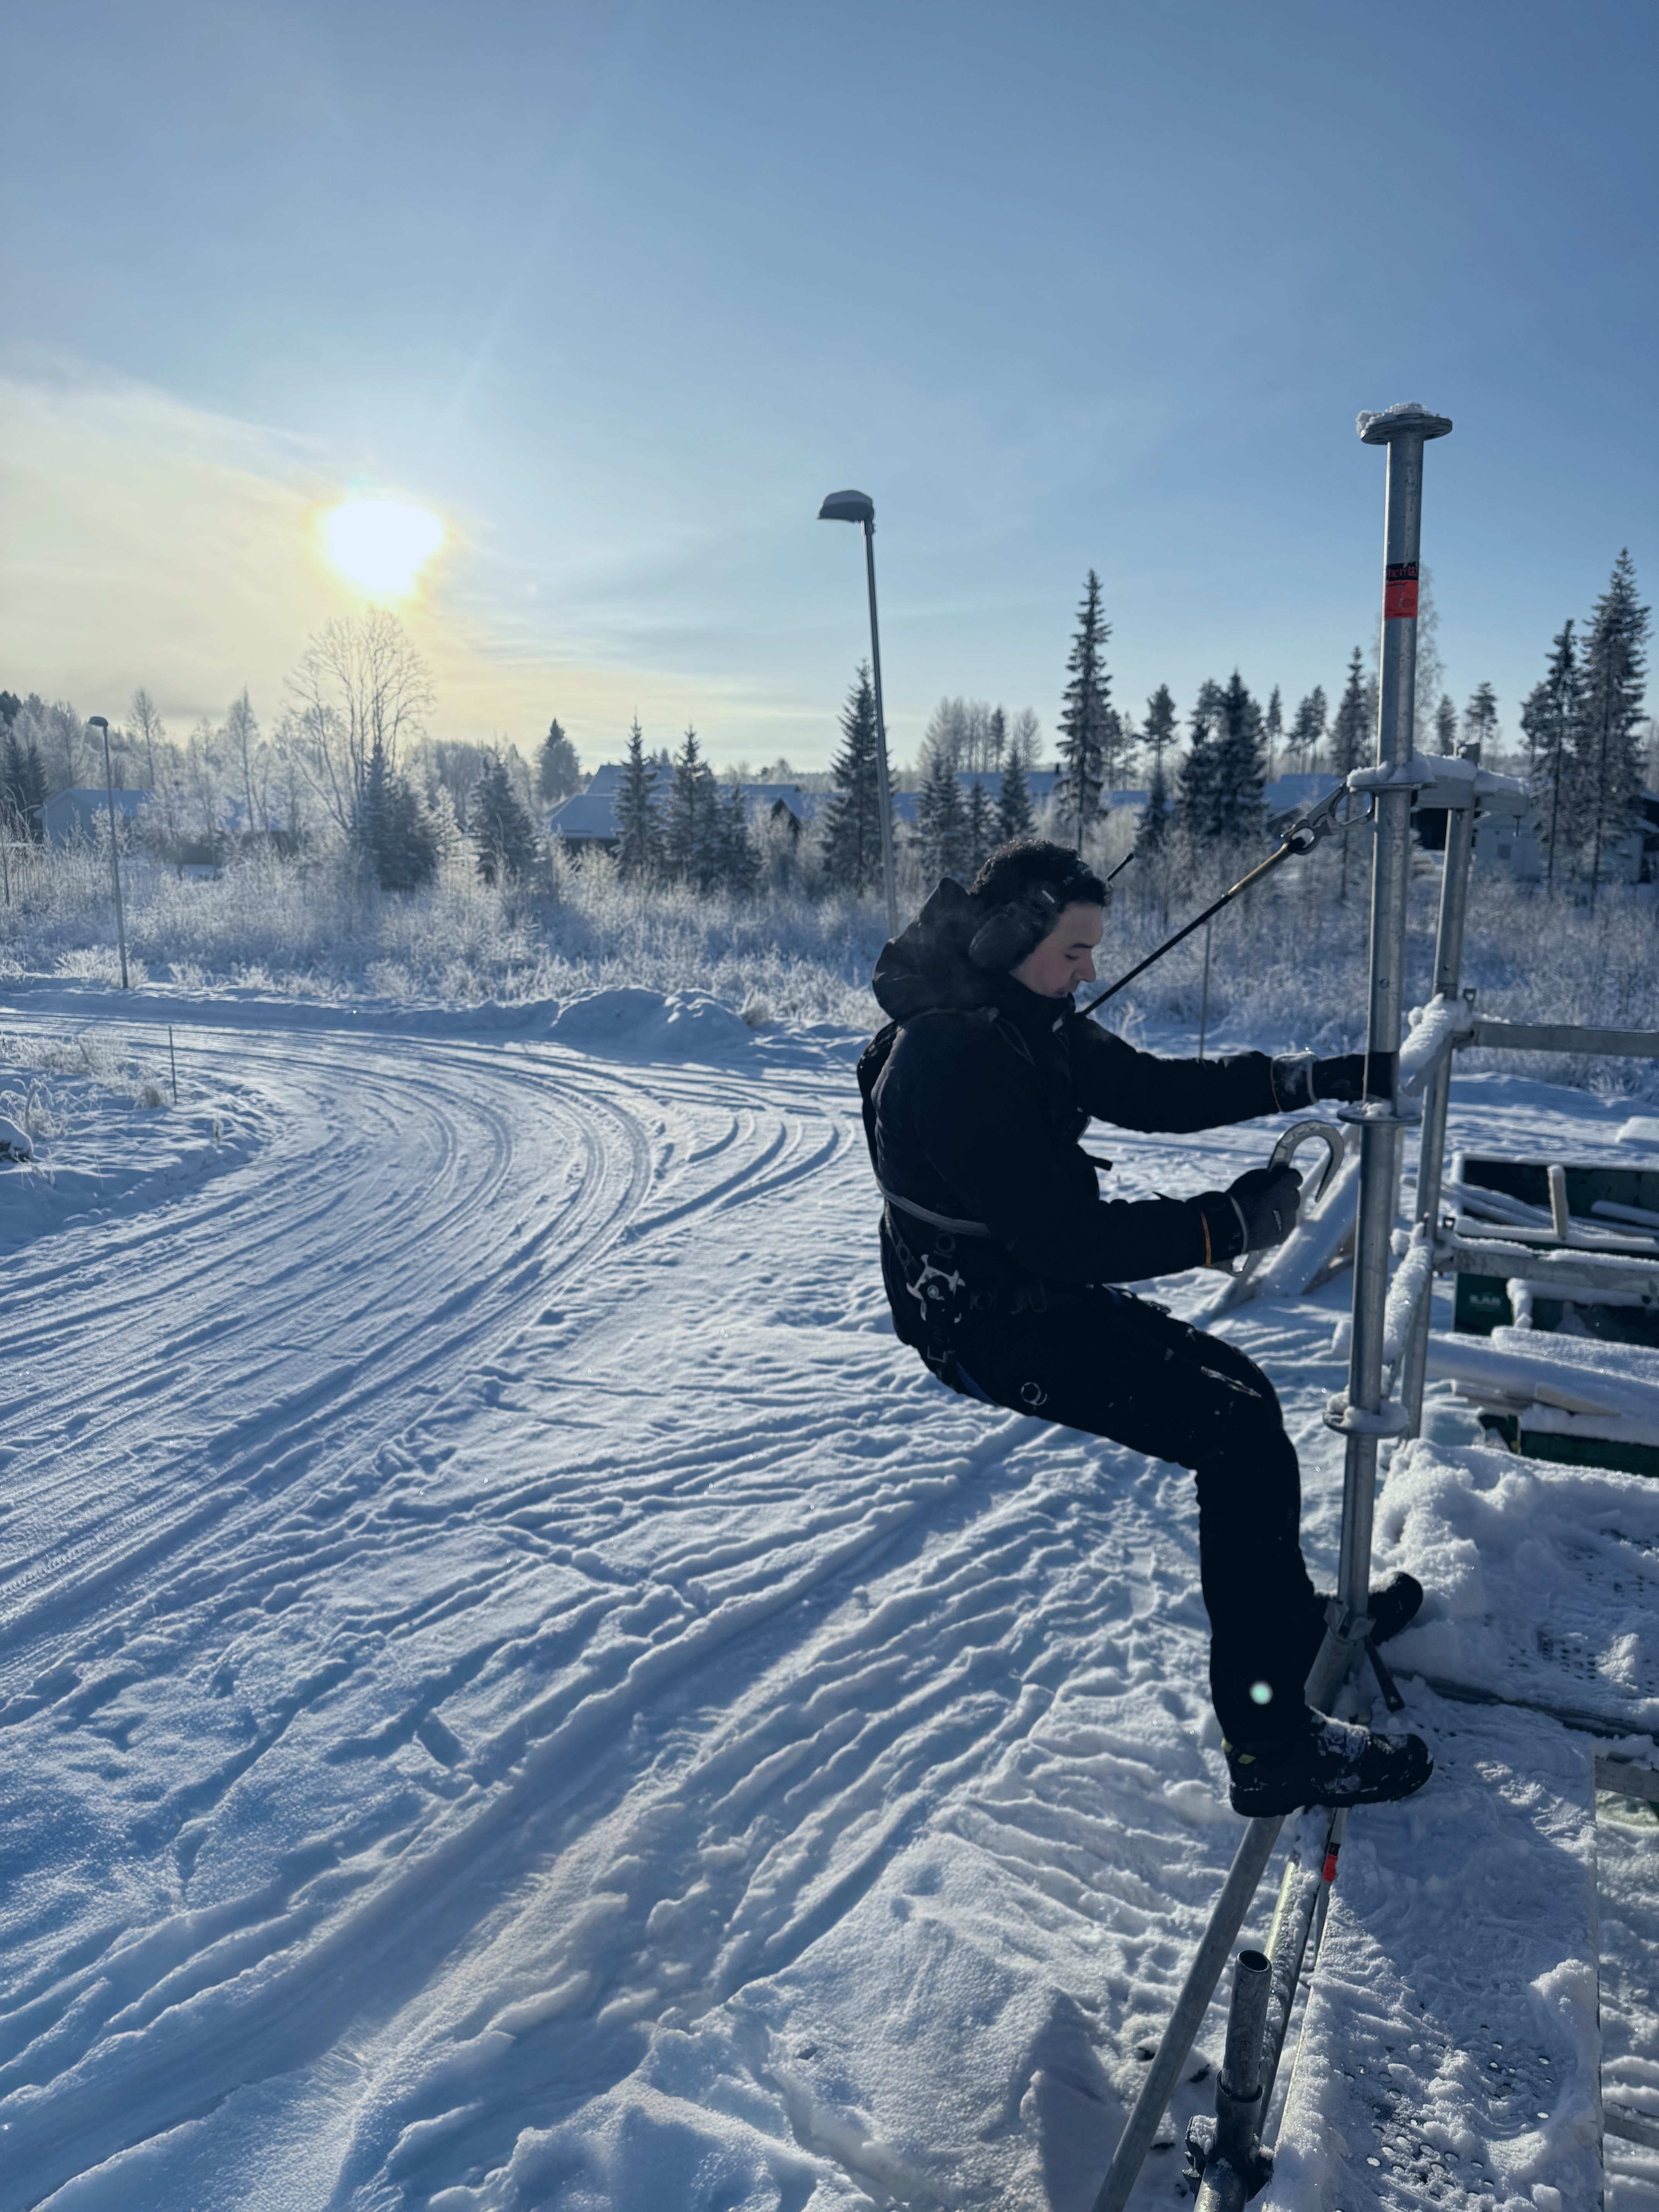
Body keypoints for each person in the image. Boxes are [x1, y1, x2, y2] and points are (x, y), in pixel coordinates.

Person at [864, 838, 1432, 1817]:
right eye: (1074, 951)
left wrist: (1303, 1079)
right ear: (1004, 941)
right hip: (987, 1326)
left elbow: (1152, 1092)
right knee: (1237, 1439)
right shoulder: (951, 1055)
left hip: (1035, 1296)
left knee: (1247, 1399)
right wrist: (1224, 1227)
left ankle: (1287, 1630)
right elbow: (1061, 1237)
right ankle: (1269, 1744)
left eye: (1094, 951)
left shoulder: (1025, 1016)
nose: (1089, 973)